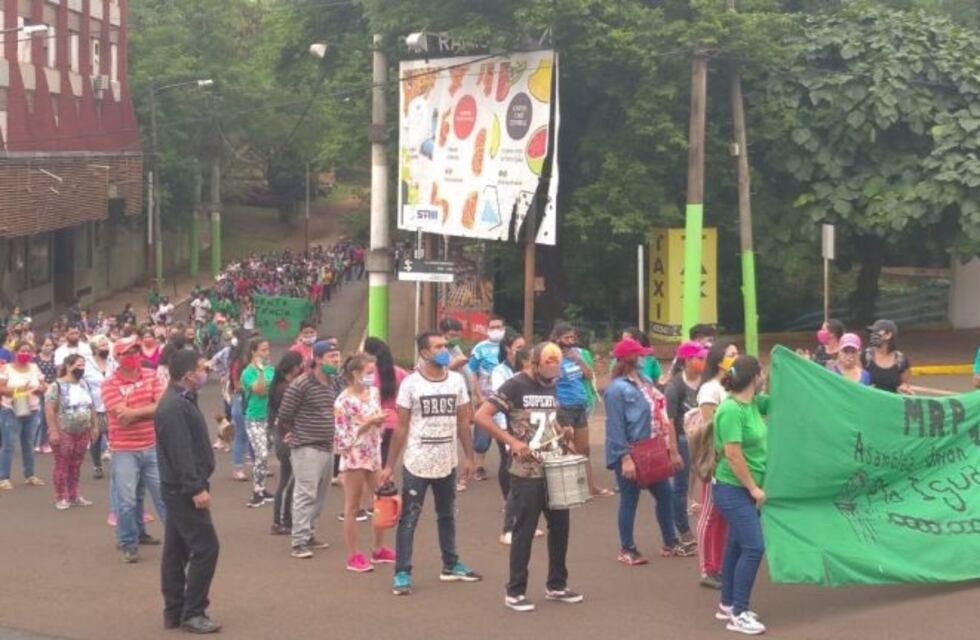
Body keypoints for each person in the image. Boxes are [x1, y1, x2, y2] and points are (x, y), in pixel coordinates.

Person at [474, 342, 584, 612]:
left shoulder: (552, 384)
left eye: (556, 363)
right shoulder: (515, 385)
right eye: (548, 363)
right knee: (524, 530)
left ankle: (557, 584)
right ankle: (515, 591)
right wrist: (512, 442)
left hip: (553, 465)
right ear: (535, 362)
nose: (553, 369)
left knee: (560, 527)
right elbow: (481, 416)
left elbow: (548, 419)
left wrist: (564, 429)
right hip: (526, 471)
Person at [379, 331, 481, 595]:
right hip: (417, 462)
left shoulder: (456, 381)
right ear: (424, 353)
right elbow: (401, 427)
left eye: (445, 346)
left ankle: (451, 563)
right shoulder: (411, 384)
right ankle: (402, 571)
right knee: (410, 518)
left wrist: (469, 457)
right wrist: (389, 465)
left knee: (447, 514)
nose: (444, 350)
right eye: (438, 347)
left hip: (447, 461)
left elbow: (462, 421)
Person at [155, 349, 221, 634]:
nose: (205, 371)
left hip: (180, 486)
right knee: (206, 547)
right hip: (183, 489)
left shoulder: (181, 401)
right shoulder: (173, 406)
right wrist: (195, 488)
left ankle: (175, 610)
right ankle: (193, 611)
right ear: (187, 375)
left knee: (176, 550)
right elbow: (180, 452)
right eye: (201, 368)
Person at [603, 338, 686, 566]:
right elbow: (615, 426)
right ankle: (627, 548)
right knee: (630, 500)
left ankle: (670, 541)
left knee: (665, 495)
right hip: (631, 450)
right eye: (639, 354)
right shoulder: (616, 390)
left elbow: (659, 415)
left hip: (652, 449)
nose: (644, 357)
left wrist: (669, 449)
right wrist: (625, 458)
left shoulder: (646, 380)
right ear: (627, 358)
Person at [713, 355, 769, 635]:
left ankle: (727, 603)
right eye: (762, 374)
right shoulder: (731, 410)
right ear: (754, 377)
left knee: (736, 545)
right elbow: (733, 455)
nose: (764, 378)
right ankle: (739, 611)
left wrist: (794, 368)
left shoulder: (753, 404)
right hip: (732, 489)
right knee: (754, 547)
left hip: (742, 489)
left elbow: (783, 399)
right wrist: (754, 488)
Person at [101, 336, 166, 563]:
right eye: (128, 352)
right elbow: (120, 414)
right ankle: (128, 542)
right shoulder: (109, 383)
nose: (134, 355)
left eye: (137, 351)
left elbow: (162, 406)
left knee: (162, 495)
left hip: (151, 444)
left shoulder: (151, 375)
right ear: (117, 357)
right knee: (127, 499)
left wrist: (135, 412)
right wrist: (149, 409)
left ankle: (174, 539)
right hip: (124, 448)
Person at [277, 340, 343, 559]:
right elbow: (285, 414)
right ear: (318, 359)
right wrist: (291, 433)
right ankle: (298, 541)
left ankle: (309, 534)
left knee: (320, 495)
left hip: (327, 446)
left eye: (337, 357)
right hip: (306, 447)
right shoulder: (302, 384)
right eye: (332, 357)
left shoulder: (333, 383)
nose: (336, 361)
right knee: (305, 493)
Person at [334, 353, 395, 572]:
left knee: (381, 499)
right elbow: (342, 437)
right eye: (369, 372)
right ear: (355, 373)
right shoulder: (342, 401)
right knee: (352, 505)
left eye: (373, 372)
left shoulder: (374, 393)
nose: (372, 377)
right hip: (354, 454)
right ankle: (353, 555)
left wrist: (379, 420)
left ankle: (378, 548)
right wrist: (369, 423)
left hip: (373, 451)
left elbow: (376, 421)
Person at [694, 342, 739, 589]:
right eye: (731, 355)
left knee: (723, 515)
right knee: (710, 513)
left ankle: (719, 564)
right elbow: (709, 426)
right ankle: (706, 567)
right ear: (719, 360)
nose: (736, 357)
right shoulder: (710, 389)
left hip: (731, 457)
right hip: (716, 458)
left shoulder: (731, 386)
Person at [489, 329, 540, 544]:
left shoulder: (536, 381)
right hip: (510, 433)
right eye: (519, 349)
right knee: (516, 482)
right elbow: (495, 408)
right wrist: (507, 438)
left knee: (529, 483)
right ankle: (508, 528)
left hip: (532, 437)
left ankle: (524, 523)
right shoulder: (507, 377)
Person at [551, 322, 611, 497]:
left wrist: (577, 359)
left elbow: (588, 375)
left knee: (584, 449)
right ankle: (565, 488)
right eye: (566, 338)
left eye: (572, 337)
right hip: (564, 407)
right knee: (565, 448)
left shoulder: (576, 354)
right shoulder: (553, 356)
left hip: (580, 405)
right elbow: (549, 380)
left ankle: (591, 486)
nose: (570, 341)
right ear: (557, 339)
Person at [664, 340, 707, 547]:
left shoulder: (707, 382)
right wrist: (673, 451)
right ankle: (683, 529)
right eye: (700, 358)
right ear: (688, 360)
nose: (704, 361)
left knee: (706, 481)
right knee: (679, 486)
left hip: (704, 439)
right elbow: (670, 421)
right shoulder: (675, 386)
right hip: (683, 439)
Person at [45, 354, 98, 510]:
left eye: (83, 365)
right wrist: (54, 431)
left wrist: (94, 425)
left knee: (76, 464)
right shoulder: (57, 386)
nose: (81, 368)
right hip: (64, 430)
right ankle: (61, 497)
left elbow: (91, 405)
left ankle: (74, 495)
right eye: (78, 365)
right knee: (62, 463)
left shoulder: (84, 384)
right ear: (68, 366)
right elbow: (49, 409)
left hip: (83, 431)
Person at [0, 340, 47, 490]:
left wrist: (42, 388)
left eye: (28, 351)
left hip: (32, 409)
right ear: (15, 352)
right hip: (11, 409)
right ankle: (3, 478)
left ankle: (30, 475)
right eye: (22, 350)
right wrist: (18, 390)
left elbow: (43, 384)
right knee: (9, 444)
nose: (25, 353)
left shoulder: (34, 367)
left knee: (29, 443)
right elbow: (1, 388)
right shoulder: (6, 368)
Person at [269, 351, 304, 536]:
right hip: (287, 437)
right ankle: (281, 520)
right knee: (288, 479)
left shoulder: (283, 386)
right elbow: (287, 416)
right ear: (293, 367)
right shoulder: (285, 389)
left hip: (284, 436)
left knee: (288, 478)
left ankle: (283, 519)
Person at [467, 314, 505, 481]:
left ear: (504, 329)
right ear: (488, 329)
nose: (496, 330)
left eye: (499, 327)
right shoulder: (480, 348)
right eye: (492, 327)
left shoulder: (509, 346)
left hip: (506, 398)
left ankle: (508, 465)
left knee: (506, 433)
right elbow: (472, 372)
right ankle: (479, 467)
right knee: (482, 437)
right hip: (486, 398)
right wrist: (478, 395)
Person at [363, 337, 408, 466]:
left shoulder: (367, 375)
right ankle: (386, 482)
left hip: (372, 422)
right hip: (394, 421)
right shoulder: (400, 373)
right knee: (386, 462)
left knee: (371, 464)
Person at [240, 337, 275, 508]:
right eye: (262, 350)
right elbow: (259, 390)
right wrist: (260, 372)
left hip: (269, 417)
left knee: (266, 451)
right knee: (260, 454)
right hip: (253, 418)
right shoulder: (248, 372)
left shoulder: (271, 370)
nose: (266, 353)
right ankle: (256, 491)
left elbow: (274, 389)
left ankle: (262, 489)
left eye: (267, 349)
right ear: (253, 352)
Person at [85, 335, 113, 479]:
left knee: (114, 435)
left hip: (112, 404)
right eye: (102, 345)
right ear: (95, 348)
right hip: (94, 405)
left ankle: (116, 465)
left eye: (107, 345)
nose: (106, 348)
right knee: (95, 437)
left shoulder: (111, 362)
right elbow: (83, 384)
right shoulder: (87, 364)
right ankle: (97, 466)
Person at [862, 319, 911, 394]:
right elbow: (857, 380)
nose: (872, 335)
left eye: (876, 332)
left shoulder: (901, 360)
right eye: (872, 332)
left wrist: (904, 389)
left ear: (888, 335)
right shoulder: (865, 356)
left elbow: (905, 385)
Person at [35, 337, 58, 454]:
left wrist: (52, 386)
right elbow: (35, 374)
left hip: (53, 390)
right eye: (46, 345)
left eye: (50, 345)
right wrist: (44, 385)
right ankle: (38, 442)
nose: (49, 348)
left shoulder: (55, 358)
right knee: (41, 418)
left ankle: (45, 442)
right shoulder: (36, 360)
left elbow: (58, 374)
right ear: (40, 346)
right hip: (40, 390)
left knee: (50, 417)